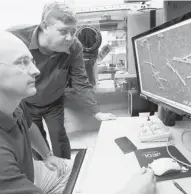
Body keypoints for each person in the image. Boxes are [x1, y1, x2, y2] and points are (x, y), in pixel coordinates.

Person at [0, 32, 156, 194]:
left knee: (97, 169)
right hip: (16, 176)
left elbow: (28, 126)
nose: (36, 71)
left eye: (32, 61)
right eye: (22, 62)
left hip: (32, 171)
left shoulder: (8, 102)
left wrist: (47, 156)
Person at [7, 1, 116, 159]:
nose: (70, 38)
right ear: (45, 26)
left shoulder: (74, 46)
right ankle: (47, 167)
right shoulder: (15, 39)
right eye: (63, 31)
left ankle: (65, 168)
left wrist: (96, 112)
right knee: (36, 142)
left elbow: (81, 81)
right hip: (27, 102)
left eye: (73, 31)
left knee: (58, 135)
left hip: (54, 101)